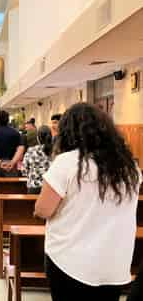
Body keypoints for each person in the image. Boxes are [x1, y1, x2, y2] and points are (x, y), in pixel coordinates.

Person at [34, 103, 142, 301]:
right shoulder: (129, 167)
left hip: (71, 261)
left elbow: (43, 210)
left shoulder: (67, 162)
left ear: (68, 132)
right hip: (114, 262)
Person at [0, 110, 25, 177]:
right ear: (8, 119)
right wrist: (13, 161)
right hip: (11, 164)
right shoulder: (15, 132)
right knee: (11, 186)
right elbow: (21, 148)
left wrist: (0, 162)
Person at [22, 126, 52, 194]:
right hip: (50, 188)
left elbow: (24, 170)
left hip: (33, 187)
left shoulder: (31, 151)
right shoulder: (56, 151)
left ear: (38, 138)